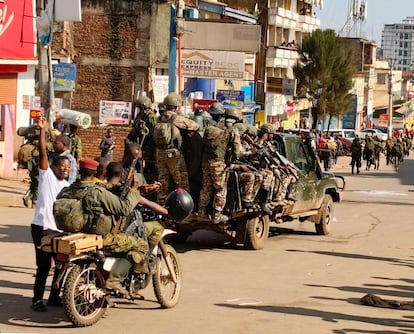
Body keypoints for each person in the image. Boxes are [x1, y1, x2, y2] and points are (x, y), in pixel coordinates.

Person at [30, 115, 71, 312]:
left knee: (62, 264)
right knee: (44, 266)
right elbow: (43, 152)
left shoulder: (68, 185)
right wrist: (42, 130)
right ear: (54, 166)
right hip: (42, 228)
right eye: (62, 166)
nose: (65, 169)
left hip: (59, 230)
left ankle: (54, 296)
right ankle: (37, 299)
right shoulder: (47, 177)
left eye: (68, 167)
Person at [198, 108, 242, 224]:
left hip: (205, 161)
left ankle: (202, 213)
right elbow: (238, 152)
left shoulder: (212, 127)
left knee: (206, 187)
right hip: (218, 163)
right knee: (220, 188)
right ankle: (216, 216)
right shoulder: (233, 130)